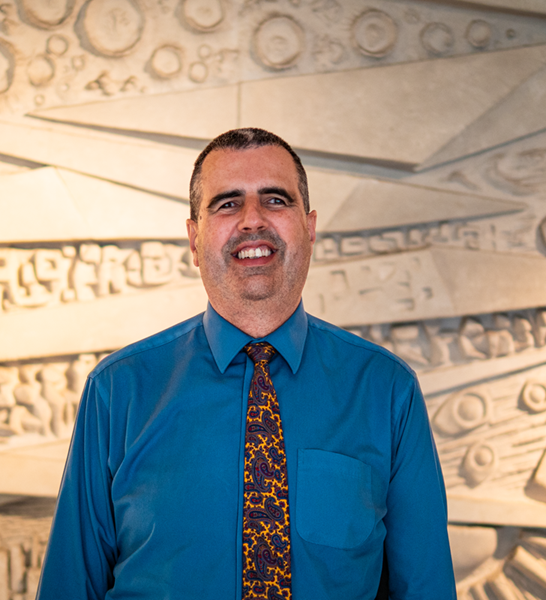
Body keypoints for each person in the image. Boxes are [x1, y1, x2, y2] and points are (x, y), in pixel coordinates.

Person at [37, 128, 456, 599]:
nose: (252, 220)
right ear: (194, 239)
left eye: (275, 200)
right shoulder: (118, 392)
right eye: (227, 203)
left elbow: (426, 588)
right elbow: (69, 588)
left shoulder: (387, 391)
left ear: (310, 228)